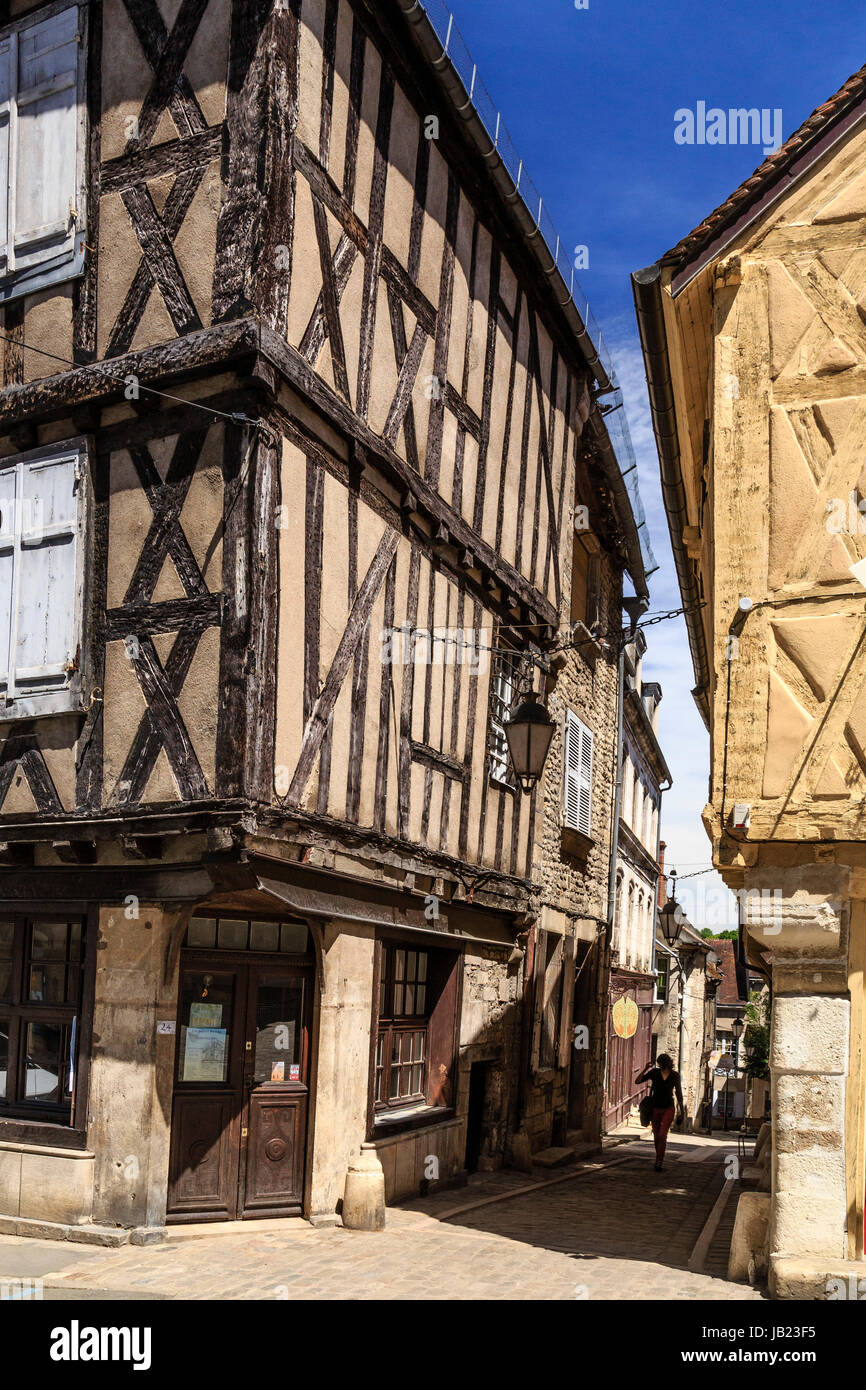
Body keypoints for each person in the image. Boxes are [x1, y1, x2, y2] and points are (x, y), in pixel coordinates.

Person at [635, 1054, 684, 1170]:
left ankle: (659, 1161)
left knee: (662, 1134)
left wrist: (682, 1111)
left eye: (661, 1063)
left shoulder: (674, 1075)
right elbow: (637, 1081)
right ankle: (658, 1158)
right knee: (657, 1136)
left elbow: (679, 1093)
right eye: (659, 1063)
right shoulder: (654, 1073)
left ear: (667, 1063)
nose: (660, 1065)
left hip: (669, 1108)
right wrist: (646, 1068)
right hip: (655, 1107)